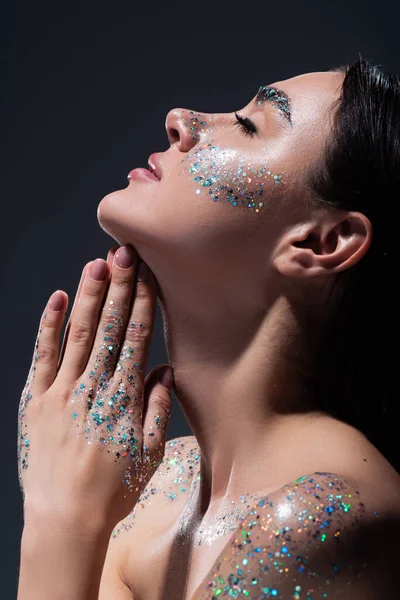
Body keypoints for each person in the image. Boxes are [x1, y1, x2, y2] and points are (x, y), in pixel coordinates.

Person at [17, 55, 400, 600]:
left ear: (323, 242)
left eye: (249, 125)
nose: (180, 119)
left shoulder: (318, 516)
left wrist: (63, 518)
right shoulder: (157, 483)